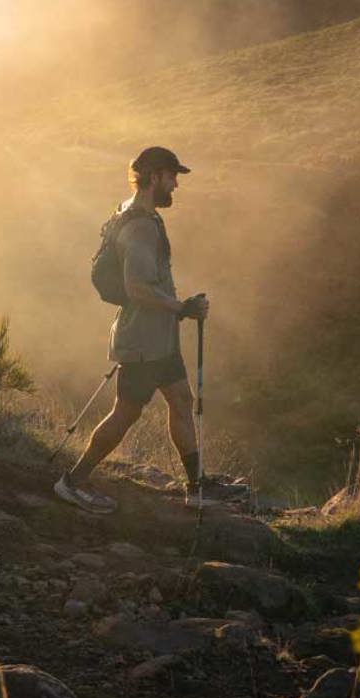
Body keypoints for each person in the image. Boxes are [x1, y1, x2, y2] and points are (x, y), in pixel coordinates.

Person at [53, 146, 237, 514]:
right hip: (142, 340)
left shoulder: (133, 213)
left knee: (181, 400)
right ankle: (72, 483)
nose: (175, 186)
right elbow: (137, 286)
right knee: (126, 413)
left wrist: (177, 310)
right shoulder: (139, 226)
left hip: (159, 338)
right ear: (155, 177)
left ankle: (196, 486)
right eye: (172, 177)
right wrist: (181, 308)